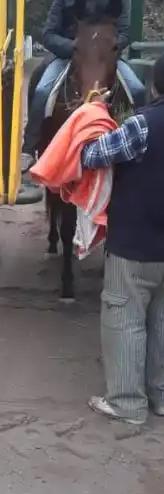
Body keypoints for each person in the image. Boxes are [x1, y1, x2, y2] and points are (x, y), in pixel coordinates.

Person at [81, 54, 164, 425]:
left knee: (125, 317)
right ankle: (160, 397)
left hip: (135, 245)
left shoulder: (143, 125)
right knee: (162, 321)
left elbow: (93, 156)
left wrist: (93, 116)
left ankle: (128, 403)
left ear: (154, 85)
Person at [21, 0, 146, 171]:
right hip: (69, 55)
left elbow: (126, 31)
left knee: (137, 90)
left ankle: (145, 147)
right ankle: (29, 149)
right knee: (41, 91)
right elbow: (49, 34)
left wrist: (111, 47)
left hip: (104, 57)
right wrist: (74, 48)